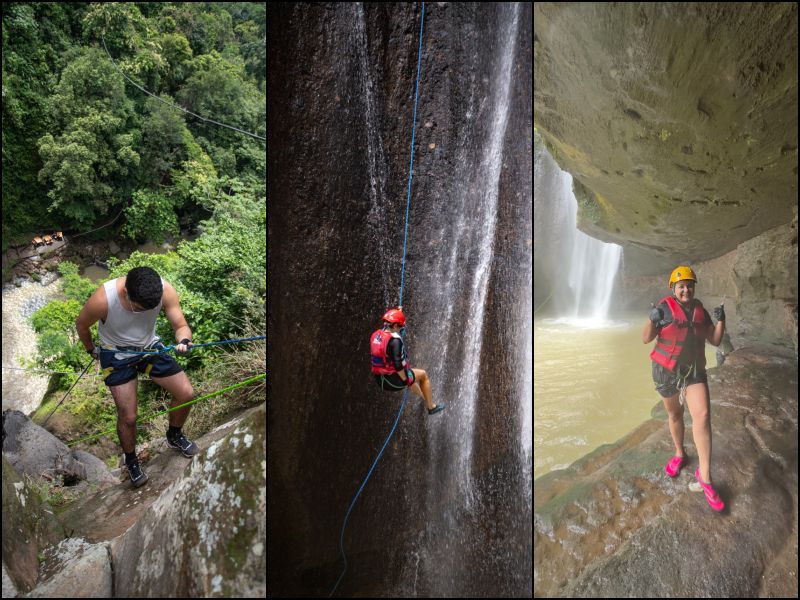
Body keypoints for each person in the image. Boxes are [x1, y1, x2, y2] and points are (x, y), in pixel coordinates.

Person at [76, 266, 199, 488]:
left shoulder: (164, 291)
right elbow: (82, 324)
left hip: (148, 346)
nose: (144, 312)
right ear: (126, 292)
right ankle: (131, 461)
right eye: (140, 308)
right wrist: (91, 349)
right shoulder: (103, 299)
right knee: (129, 417)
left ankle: (174, 434)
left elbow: (180, 325)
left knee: (186, 394)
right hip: (115, 353)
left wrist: (184, 340)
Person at [642, 265, 726, 511]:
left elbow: (716, 340)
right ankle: (680, 453)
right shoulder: (664, 308)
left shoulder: (701, 310)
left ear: (693, 287)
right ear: (673, 288)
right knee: (674, 415)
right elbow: (646, 338)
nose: (686, 289)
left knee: (703, 416)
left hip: (694, 372)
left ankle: (705, 477)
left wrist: (721, 321)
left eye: (689, 285)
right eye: (681, 286)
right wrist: (651, 318)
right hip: (666, 371)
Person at [370, 307, 445, 415]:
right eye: (400, 327)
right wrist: (405, 380)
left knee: (411, 375)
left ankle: (425, 398)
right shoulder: (395, 341)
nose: (401, 329)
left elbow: (390, 331)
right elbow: (398, 366)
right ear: (395, 325)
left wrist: (398, 313)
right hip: (391, 381)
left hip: (379, 379)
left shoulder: (376, 335)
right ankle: (431, 406)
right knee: (422, 375)